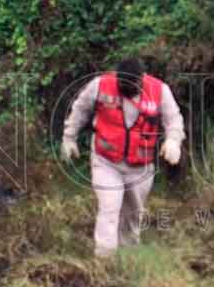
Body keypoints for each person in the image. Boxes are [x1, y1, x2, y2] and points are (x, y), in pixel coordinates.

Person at [62, 58, 185, 257]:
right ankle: (104, 258)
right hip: (106, 161)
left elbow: (174, 120)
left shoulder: (160, 91)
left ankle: (128, 257)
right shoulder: (101, 85)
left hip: (141, 166)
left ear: (141, 80)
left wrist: (173, 141)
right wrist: (69, 138)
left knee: (133, 215)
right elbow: (80, 109)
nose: (127, 89)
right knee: (109, 208)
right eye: (123, 85)